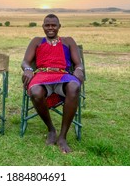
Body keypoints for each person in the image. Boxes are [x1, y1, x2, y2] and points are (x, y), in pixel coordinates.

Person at [21, 14, 84, 153]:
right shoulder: (37, 41)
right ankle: (51, 129)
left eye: (53, 25)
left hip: (63, 75)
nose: (50, 28)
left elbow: (78, 63)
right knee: (36, 92)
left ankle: (62, 137)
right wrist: (28, 69)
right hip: (42, 75)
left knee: (74, 86)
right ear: (43, 26)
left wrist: (79, 69)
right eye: (47, 25)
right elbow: (25, 61)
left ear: (59, 26)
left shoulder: (68, 41)